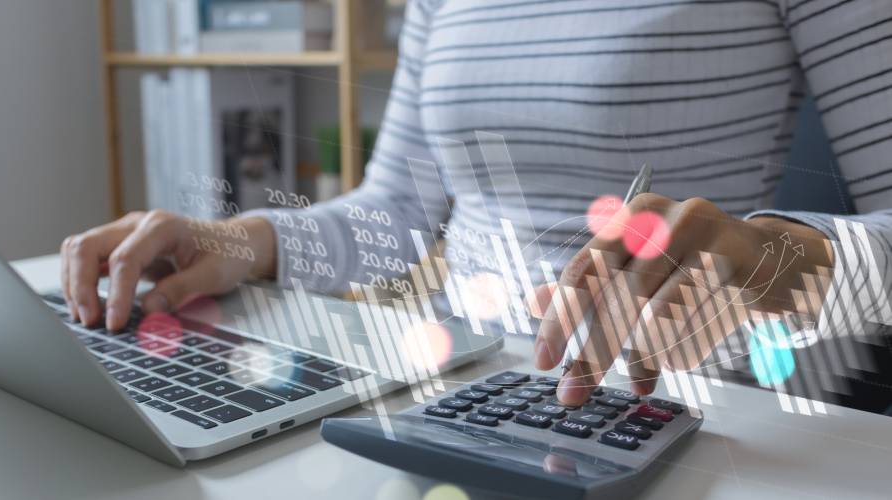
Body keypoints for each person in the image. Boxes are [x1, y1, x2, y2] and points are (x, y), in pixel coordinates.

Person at [62, 0, 892, 407]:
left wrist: (771, 258)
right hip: (457, 396)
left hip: (689, 409)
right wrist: (243, 239)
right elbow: (396, 214)